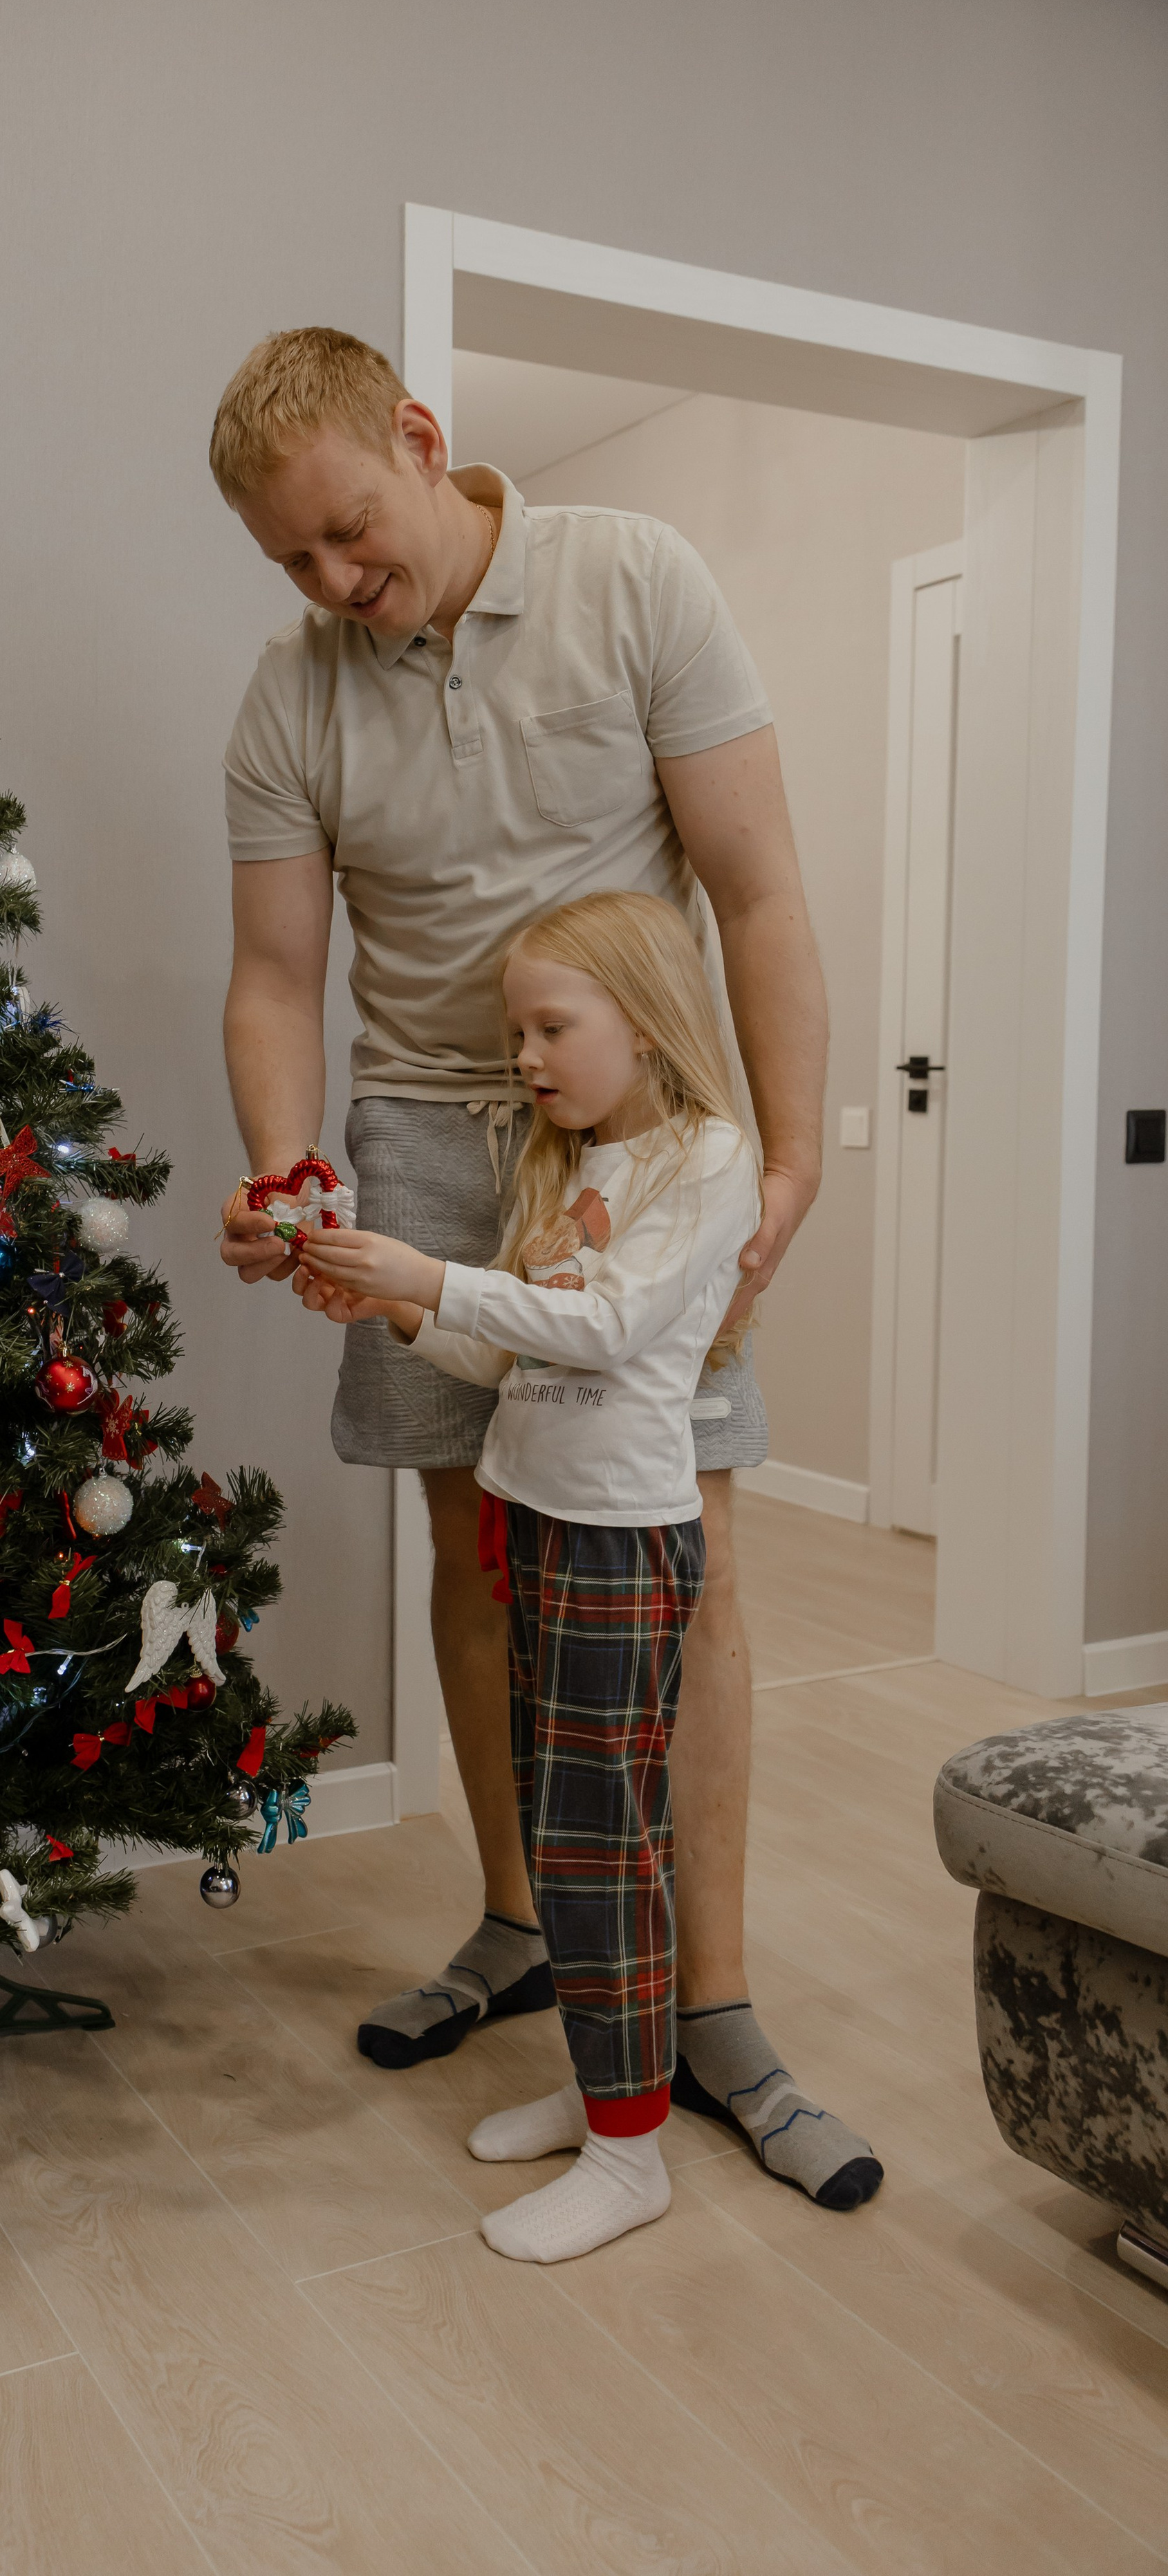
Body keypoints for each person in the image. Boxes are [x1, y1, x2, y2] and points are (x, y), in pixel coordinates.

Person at [212, 325, 876, 2212]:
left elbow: (756, 888)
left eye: (349, 530)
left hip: (628, 1134)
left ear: (420, 441)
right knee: (484, 1549)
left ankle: (716, 2002)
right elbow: (277, 977)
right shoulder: (291, 694)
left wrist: (797, 1152)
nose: (335, 583)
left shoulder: (636, 579)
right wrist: (288, 1170)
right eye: (294, 562)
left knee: (691, 1559)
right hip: (424, 1133)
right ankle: (530, 1927)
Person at [293, 892, 880, 2260]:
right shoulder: (571, 1167)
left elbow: (609, 1328)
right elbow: (517, 1358)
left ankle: (630, 2157)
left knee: (600, 1841)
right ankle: (606, 2084)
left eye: (551, 1026)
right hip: (535, 1519)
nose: (528, 1058)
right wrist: (400, 1306)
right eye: (517, 1033)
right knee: (562, 1832)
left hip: (621, 1539)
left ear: (644, 1017)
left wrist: (428, 1273)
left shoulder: (707, 1160)